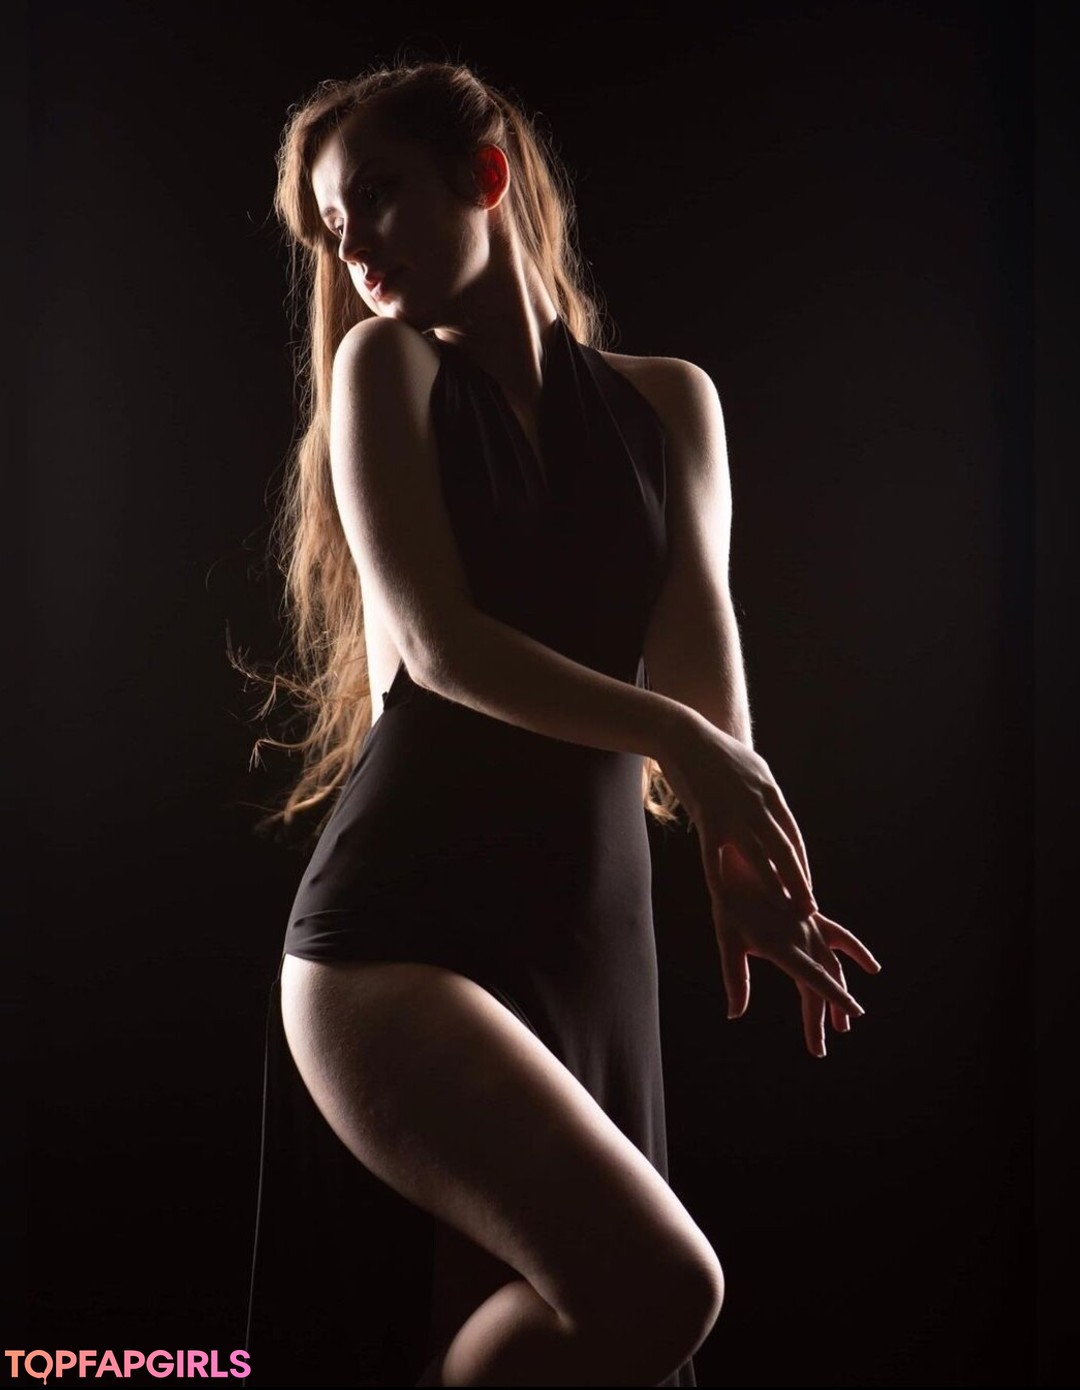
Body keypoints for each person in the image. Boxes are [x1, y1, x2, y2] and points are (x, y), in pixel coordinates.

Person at [239, 58, 881, 1389]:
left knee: (591, 1330)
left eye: (378, 197)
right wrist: (687, 748)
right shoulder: (383, 370)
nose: (352, 246)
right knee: (659, 1286)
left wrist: (742, 853)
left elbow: (701, 656)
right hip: (395, 934)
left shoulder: (670, 402)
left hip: (589, 935)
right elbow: (439, 649)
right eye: (332, 225)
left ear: (485, 175)